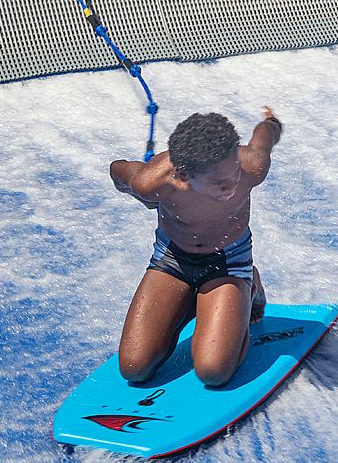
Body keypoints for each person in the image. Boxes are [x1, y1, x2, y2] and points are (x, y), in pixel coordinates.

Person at [109, 109, 282, 388]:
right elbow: (118, 170)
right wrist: (137, 191)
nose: (232, 184)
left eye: (234, 171)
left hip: (228, 263)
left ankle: (246, 286)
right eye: (218, 182)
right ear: (182, 174)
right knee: (134, 368)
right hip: (172, 260)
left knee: (213, 372)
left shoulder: (250, 166)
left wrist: (271, 122)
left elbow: (264, 139)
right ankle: (193, 300)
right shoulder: (153, 182)